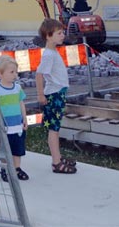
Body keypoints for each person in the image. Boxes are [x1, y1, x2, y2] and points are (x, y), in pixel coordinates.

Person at [36, 18, 77, 174]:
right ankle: (56, 162)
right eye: (59, 33)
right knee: (54, 129)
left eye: (62, 33)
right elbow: (39, 75)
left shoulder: (53, 53)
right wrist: (40, 94)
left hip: (58, 93)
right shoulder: (48, 55)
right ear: (48, 36)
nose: (62, 36)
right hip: (54, 95)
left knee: (55, 128)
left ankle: (57, 157)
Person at [0, 55, 29, 181]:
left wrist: (24, 118)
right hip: (5, 126)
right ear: (1, 73)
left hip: (17, 125)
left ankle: (17, 168)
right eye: (11, 72)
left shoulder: (17, 88)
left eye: (16, 72)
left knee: (18, 148)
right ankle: (5, 169)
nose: (15, 75)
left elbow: (21, 103)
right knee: (6, 149)